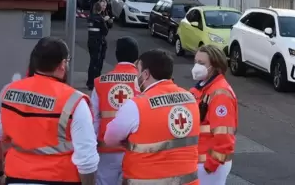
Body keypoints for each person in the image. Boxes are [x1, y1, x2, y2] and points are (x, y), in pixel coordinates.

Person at [0, 37, 99, 185]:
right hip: (60, 178)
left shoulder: (8, 92)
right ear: (62, 65)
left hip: (16, 177)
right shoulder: (74, 101)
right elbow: (87, 160)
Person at [104, 48, 200, 184]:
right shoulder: (190, 98)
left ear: (146, 74)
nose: (136, 77)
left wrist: (129, 141)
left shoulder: (136, 106)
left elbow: (110, 139)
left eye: (138, 71)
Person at [91, 36, 141, 185]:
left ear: (116, 55)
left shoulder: (100, 82)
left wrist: (92, 147)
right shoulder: (143, 82)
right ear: (137, 57)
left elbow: (94, 118)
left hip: (106, 150)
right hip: (134, 149)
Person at [189, 45, 238, 185]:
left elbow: (225, 138)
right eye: (195, 62)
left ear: (215, 66)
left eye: (202, 63)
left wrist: (210, 166)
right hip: (199, 160)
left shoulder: (220, 94)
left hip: (209, 164)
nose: (196, 66)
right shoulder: (199, 89)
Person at [87, 0, 112, 90]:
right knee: (97, 63)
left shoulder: (90, 17)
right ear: (100, 9)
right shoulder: (100, 19)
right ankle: (94, 82)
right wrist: (106, 21)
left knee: (92, 62)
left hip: (91, 42)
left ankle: (90, 81)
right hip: (99, 42)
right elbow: (105, 31)